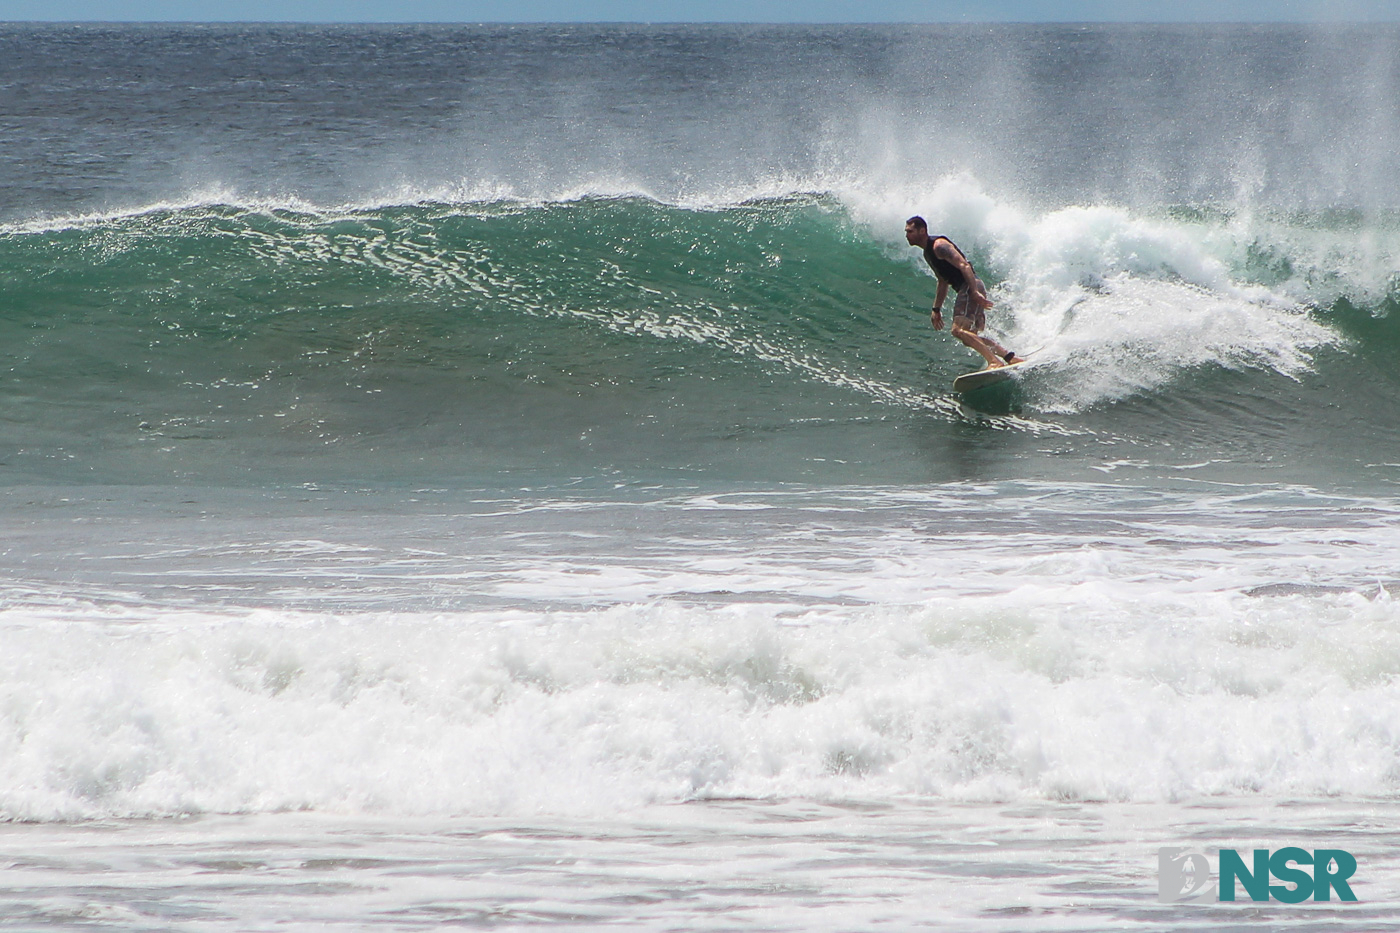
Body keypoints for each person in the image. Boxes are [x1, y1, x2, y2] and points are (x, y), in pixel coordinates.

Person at [904, 216, 1022, 368]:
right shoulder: (928, 253)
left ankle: (994, 361)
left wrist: (973, 291)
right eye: (906, 232)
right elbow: (942, 281)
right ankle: (1009, 357)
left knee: (958, 330)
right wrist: (936, 309)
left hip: (970, 286)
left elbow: (964, 265)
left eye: (910, 231)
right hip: (970, 287)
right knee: (969, 336)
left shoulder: (939, 246)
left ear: (922, 230)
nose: (907, 235)